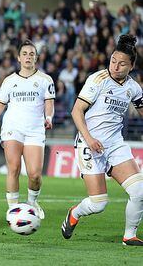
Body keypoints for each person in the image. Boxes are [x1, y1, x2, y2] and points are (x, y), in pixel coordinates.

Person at [61, 34, 143, 246]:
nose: (115, 66)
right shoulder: (97, 80)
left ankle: (129, 235)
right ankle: (74, 213)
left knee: (139, 191)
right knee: (98, 204)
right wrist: (88, 138)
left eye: (121, 63)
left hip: (115, 145)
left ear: (131, 66)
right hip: (90, 143)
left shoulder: (133, 88)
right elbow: (76, 111)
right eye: (113, 61)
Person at [0, 40, 55, 219]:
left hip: (35, 129)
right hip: (12, 128)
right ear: (19, 58)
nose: (28, 57)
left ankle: (32, 203)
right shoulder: (9, 81)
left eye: (31, 54)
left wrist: (48, 118)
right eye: (25, 54)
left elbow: (49, 103)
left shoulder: (45, 80)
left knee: (34, 174)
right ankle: (13, 210)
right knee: (13, 168)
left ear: (36, 58)